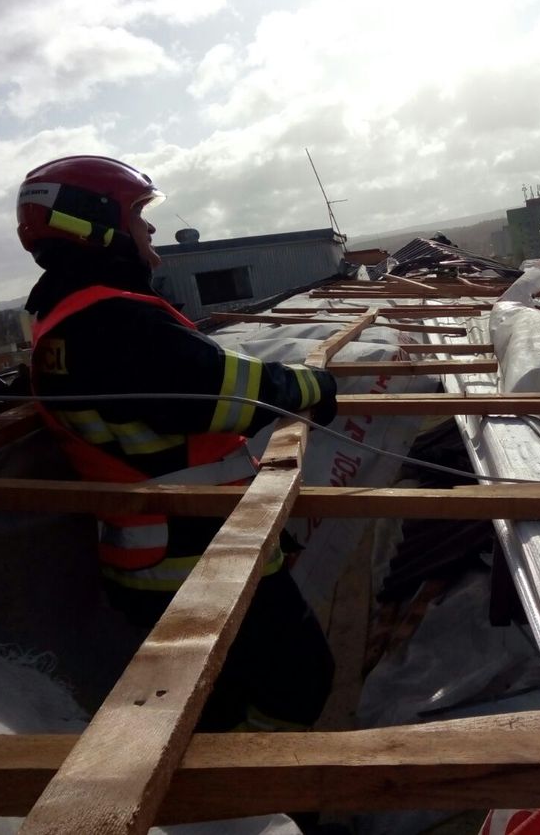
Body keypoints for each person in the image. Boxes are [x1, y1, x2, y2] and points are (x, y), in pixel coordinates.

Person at [18, 155, 337, 731]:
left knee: (215, 706)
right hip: (201, 559)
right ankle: (267, 782)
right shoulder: (114, 323)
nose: (149, 228)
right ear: (96, 224)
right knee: (299, 685)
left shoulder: (63, 319)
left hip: (156, 562)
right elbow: (225, 393)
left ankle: (238, 778)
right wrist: (314, 385)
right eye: (137, 214)